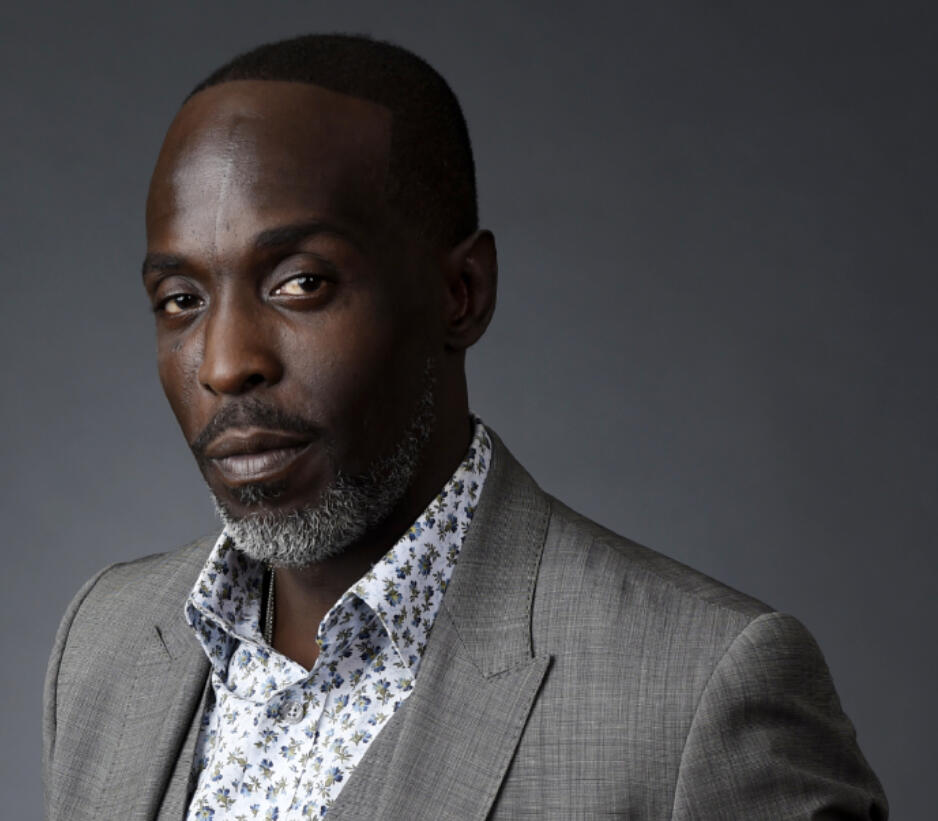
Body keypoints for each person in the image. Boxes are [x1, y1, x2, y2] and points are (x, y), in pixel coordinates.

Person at [43, 34, 887, 820]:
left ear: (462, 293)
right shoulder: (105, 640)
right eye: (181, 301)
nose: (225, 362)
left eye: (300, 282)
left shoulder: (701, 694)